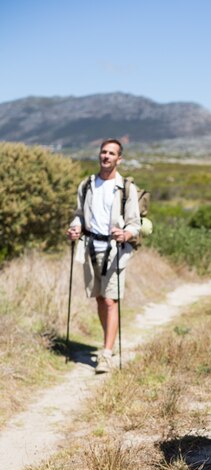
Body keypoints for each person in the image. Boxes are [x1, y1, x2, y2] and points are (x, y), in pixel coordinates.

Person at [67, 139, 141, 373]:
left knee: (111, 300)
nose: (106, 156)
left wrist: (126, 233)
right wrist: (75, 227)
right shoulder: (87, 185)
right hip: (90, 249)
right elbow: (79, 214)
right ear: (99, 155)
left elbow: (135, 224)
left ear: (119, 159)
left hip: (116, 252)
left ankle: (107, 353)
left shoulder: (126, 188)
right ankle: (107, 342)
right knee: (99, 299)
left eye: (112, 153)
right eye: (103, 152)